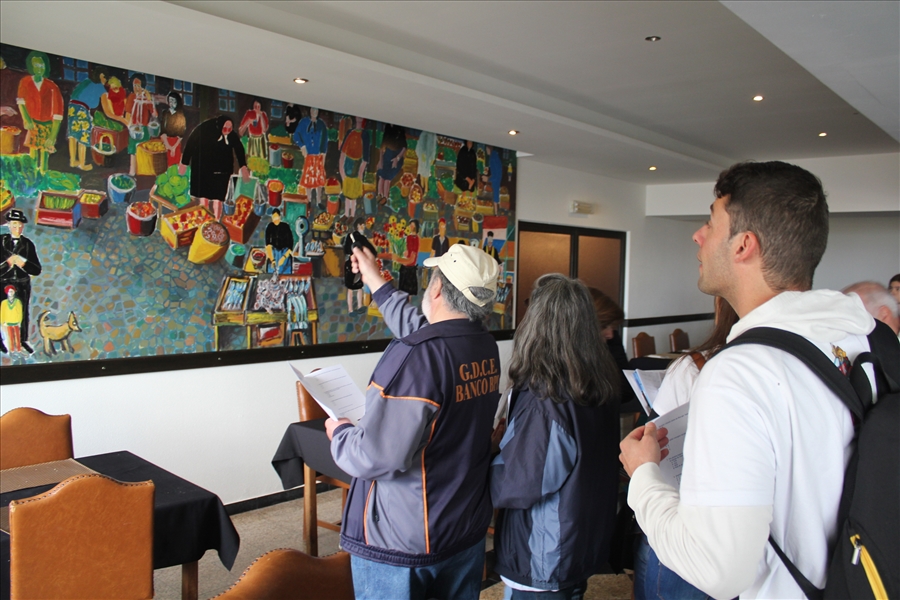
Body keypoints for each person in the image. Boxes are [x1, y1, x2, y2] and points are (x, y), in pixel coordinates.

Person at [619, 161, 878, 599]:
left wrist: (643, 475)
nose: (697, 236)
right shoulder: (857, 336)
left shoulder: (739, 373)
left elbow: (718, 570)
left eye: (710, 223)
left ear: (743, 245)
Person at [325, 242, 501, 600]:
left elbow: (375, 456)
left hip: (406, 538)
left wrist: (340, 433)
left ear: (436, 289)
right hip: (464, 525)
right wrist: (375, 280)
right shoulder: (482, 344)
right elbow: (424, 331)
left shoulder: (417, 355)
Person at [491, 274, 621, 598]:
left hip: (544, 553)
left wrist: (483, 461)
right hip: (580, 539)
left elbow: (522, 483)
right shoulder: (598, 384)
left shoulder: (547, 400)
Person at [632, 296, 738, 600]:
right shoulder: (797, 362)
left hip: (686, 527)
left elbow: (653, 438)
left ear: (721, 308)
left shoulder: (694, 368)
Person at [179, 116, 249, 220]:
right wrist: (184, 163)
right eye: (225, 128)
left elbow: (238, 148)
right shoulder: (205, 129)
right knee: (204, 197)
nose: (227, 131)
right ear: (220, 126)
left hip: (222, 170)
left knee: (218, 198)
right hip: (204, 166)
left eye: (230, 129)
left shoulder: (230, 134)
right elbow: (191, 142)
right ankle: (205, 220)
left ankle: (216, 221)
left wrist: (243, 166)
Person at [0, 209, 42, 354]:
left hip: (22, 282)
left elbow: (36, 269)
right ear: (8, 225)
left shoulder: (28, 244)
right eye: (14, 224)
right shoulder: (1, 241)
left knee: (23, 311)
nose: (17, 228)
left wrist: (23, 262)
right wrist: (8, 263)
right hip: (3, 281)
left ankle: (23, 339)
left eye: (19, 225)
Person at [16, 51, 63, 174]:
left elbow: (58, 114)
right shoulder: (25, 82)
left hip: (47, 125)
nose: (39, 68)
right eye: (36, 65)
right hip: (33, 124)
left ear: (46, 66)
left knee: (44, 155)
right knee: (33, 153)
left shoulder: (52, 86)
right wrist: (26, 119)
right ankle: (32, 175)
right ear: (31, 66)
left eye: (42, 65)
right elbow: (21, 103)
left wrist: (52, 136)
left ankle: (42, 174)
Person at [66, 65, 108, 171]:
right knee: (83, 136)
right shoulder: (100, 86)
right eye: (105, 78)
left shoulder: (86, 81)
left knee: (73, 134)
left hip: (72, 107)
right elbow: (107, 110)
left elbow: (75, 94)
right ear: (101, 76)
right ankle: (82, 164)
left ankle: (72, 161)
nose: (105, 81)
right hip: (82, 109)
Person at [124, 73, 157, 176]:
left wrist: (150, 101)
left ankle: (143, 172)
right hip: (133, 128)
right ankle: (132, 172)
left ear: (142, 86)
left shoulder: (147, 97)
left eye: (138, 85)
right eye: (134, 85)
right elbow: (127, 114)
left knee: (144, 150)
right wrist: (129, 126)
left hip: (145, 128)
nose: (136, 88)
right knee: (132, 150)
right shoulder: (131, 97)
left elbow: (155, 114)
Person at [294, 107, 328, 208]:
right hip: (309, 156)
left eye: (316, 110)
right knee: (308, 179)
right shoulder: (304, 122)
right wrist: (302, 146)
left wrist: (323, 155)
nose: (314, 112)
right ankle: (308, 200)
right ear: (310, 111)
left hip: (318, 156)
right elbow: (296, 135)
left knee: (319, 179)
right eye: (313, 110)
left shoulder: (321, 124)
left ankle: (318, 201)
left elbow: (324, 141)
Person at [339, 116, 369, 219]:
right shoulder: (350, 132)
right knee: (347, 193)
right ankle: (346, 214)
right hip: (347, 165)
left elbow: (366, 157)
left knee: (354, 194)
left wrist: (361, 172)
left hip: (357, 166)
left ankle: (352, 215)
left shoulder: (365, 135)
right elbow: (343, 151)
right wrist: (341, 169)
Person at [377, 123, 407, 200]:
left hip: (397, 157)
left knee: (387, 179)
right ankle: (380, 195)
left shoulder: (400, 129)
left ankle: (385, 197)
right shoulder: (387, 127)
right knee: (382, 177)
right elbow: (382, 146)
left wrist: (397, 158)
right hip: (387, 155)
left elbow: (404, 147)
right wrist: (380, 160)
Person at [159, 91, 187, 167]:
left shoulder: (181, 116)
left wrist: (173, 147)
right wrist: (168, 146)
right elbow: (162, 131)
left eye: (174, 101)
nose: (172, 103)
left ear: (177, 102)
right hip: (165, 141)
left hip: (176, 143)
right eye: (170, 101)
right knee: (164, 164)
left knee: (174, 165)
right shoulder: (165, 113)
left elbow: (181, 134)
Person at [265, 209, 293, 275]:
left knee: (285, 275)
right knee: (271, 273)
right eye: (274, 218)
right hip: (273, 253)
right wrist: (272, 260)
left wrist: (284, 257)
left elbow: (290, 246)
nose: (275, 220)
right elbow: (268, 245)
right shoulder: (269, 227)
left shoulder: (286, 227)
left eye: (277, 217)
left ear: (280, 217)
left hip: (285, 253)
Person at [397, 219, 420, 296]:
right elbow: (406, 248)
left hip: (411, 262)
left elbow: (414, 251)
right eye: (410, 225)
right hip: (406, 260)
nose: (411, 226)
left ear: (416, 227)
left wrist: (408, 257)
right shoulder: (408, 237)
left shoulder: (416, 238)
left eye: (413, 225)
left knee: (409, 290)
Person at [0, 284, 23, 354]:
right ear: (7, 293)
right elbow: (2, 313)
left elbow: (20, 312)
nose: (11, 293)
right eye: (9, 291)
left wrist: (19, 322)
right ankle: (12, 350)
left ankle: (19, 349)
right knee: (10, 337)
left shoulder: (17, 302)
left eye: (12, 291)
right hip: (8, 322)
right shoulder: (4, 303)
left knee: (17, 336)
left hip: (16, 322)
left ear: (14, 292)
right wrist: (2, 322)